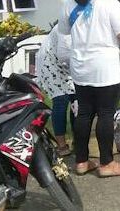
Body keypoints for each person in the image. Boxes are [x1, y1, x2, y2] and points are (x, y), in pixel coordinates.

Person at [59, 0, 120, 178]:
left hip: (80, 68)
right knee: (105, 114)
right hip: (106, 69)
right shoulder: (109, 4)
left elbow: (64, 33)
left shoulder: (68, 4)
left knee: (84, 113)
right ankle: (106, 163)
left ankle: (81, 162)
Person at [35, 23, 75, 157]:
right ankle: (62, 145)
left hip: (67, 63)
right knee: (61, 101)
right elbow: (65, 54)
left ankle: (78, 141)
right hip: (51, 63)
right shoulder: (65, 28)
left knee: (76, 101)